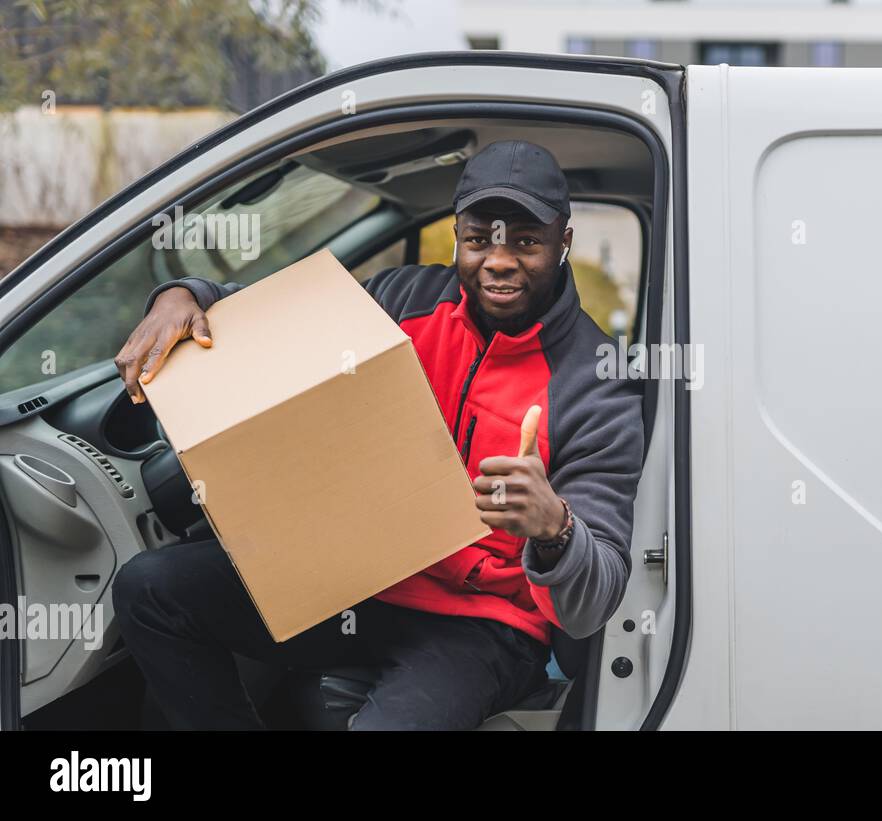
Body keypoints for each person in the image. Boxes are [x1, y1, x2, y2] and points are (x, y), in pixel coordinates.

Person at [110, 140, 645, 730]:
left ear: (563, 242)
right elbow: (271, 321)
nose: (497, 260)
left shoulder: (596, 384)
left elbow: (596, 600)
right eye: (478, 240)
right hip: (356, 579)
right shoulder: (402, 300)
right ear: (458, 236)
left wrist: (554, 529)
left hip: (482, 625)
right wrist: (182, 295)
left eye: (524, 242)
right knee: (150, 588)